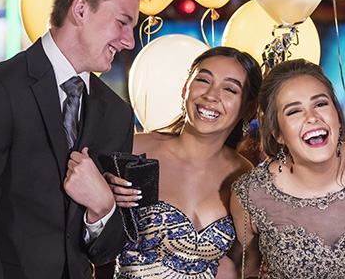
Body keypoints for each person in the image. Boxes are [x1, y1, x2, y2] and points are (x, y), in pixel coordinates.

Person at [0, 0, 151, 279]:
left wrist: (102, 208)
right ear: (80, 9)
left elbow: (108, 250)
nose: (128, 40)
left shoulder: (117, 114)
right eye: (123, 22)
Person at [230, 59, 345, 278]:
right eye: (293, 111)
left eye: (320, 104)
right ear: (278, 134)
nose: (312, 117)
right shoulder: (249, 194)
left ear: (337, 116)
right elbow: (246, 269)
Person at [105, 47, 262, 278]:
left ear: (248, 108)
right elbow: (90, 236)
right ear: (184, 88)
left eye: (229, 89)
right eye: (203, 80)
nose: (211, 95)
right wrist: (105, 196)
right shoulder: (134, 150)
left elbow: (245, 264)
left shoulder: (245, 176)